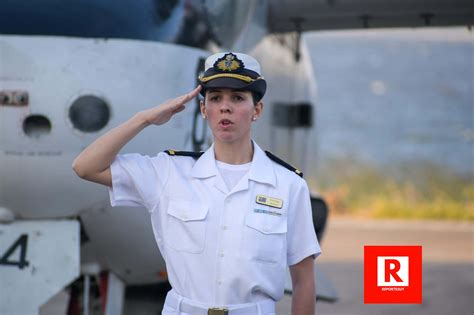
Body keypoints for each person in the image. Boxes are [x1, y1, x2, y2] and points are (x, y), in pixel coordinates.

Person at [72, 52, 321, 315]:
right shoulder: (169, 172)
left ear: (256, 110)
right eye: (215, 98)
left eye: (237, 98)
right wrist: (144, 119)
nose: (225, 107)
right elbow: (86, 166)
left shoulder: (288, 184)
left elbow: (304, 280)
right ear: (204, 109)